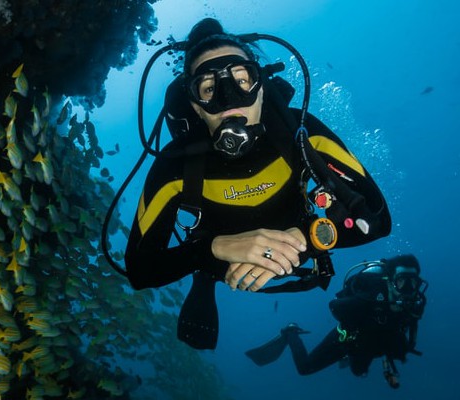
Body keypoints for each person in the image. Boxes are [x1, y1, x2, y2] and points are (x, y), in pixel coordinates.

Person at [123, 17, 391, 349]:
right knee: (204, 267)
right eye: (208, 88)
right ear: (194, 104)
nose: (228, 99)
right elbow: (140, 270)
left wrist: (307, 238)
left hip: (301, 242)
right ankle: (204, 278)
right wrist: (213, 249)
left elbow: (378, 219)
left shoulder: (302, 134)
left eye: (241, 80)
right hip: (218, 262)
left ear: (261, 87)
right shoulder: (175, 165)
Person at [245, 254, 427, 388]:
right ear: (389, 281)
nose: (409, 289)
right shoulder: (370, 297)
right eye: (403, 282)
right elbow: (335, 305)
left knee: (359, 372)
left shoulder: (414, 305)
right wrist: (354, 327)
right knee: (305, 368)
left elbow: (409, 332)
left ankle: (365, 359)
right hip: (348, 340)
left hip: (377, 341)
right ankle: (291, 332)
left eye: (414, 283)